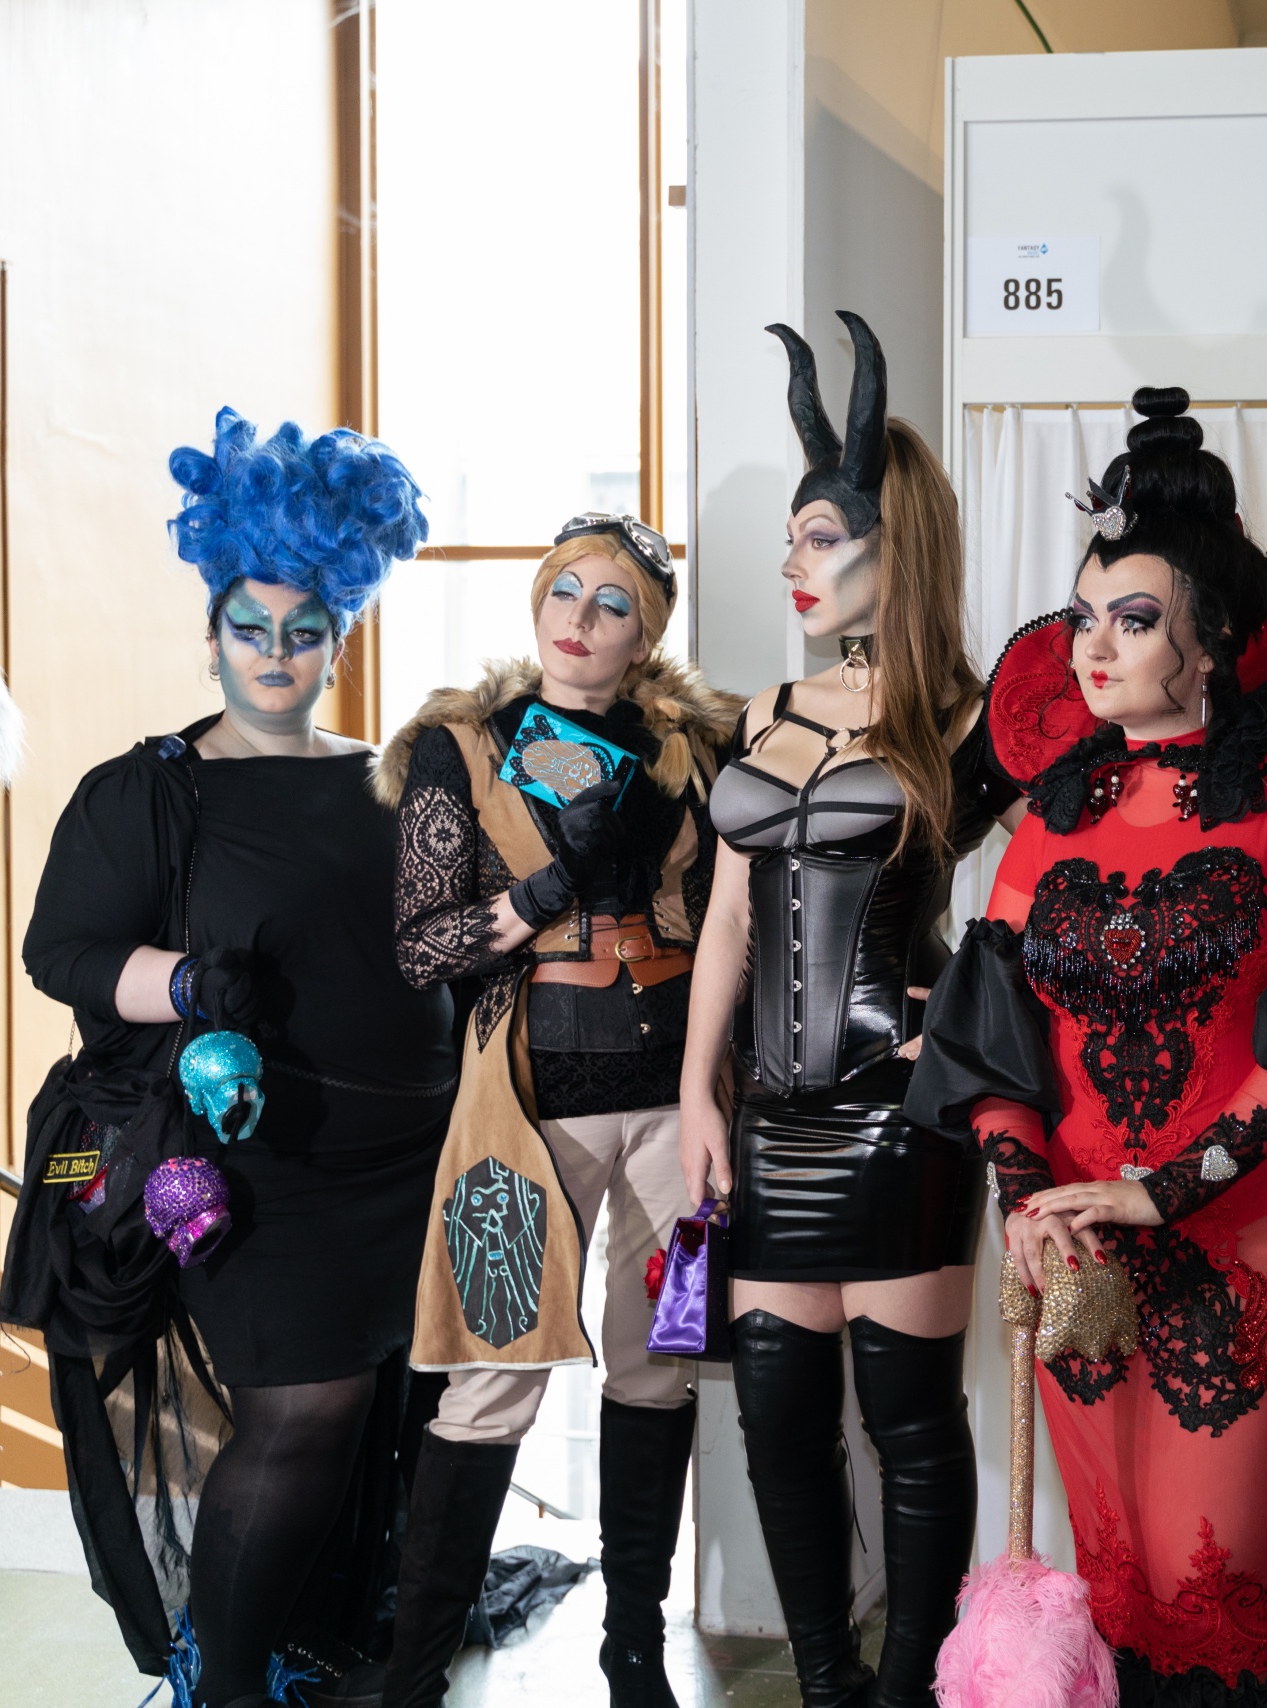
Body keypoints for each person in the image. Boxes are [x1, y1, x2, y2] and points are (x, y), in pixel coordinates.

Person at [907, 386, 1267, 1708]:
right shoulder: (1052, 818)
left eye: (1132, 619)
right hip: (1079, 1256)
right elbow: (993, 1048)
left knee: (1206, 1578)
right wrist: (1029, 1203)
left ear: (1214, 640)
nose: (1094, 647)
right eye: (1083, 618)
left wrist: (1163, 1189)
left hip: (1253, 1236)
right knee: (1119, 1582)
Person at [14, 408, 451, 1708]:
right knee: (301, 1413)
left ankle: (295, 1650)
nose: (274, 653)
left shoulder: (393, 780)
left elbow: (441, 946)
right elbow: (62, 952)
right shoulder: (151, 791)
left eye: (302, 630)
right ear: (211, 635)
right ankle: (225, 1683)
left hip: (411, 1159)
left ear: (339, 639)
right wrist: (186, 984)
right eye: (248, 628)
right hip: (258, 1169)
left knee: (369, 1417)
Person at [676, 311, 1019, 1708]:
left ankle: (907, 1694)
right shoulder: (763, 709)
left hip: (899, 1114)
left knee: (911, 1425)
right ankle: (827, 1689)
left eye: (819, 535)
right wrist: (698, 1096)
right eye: (793, 538)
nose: (793, 560)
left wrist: (972, 1009)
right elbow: (728, 921)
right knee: (776, 1422)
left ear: (896, 543)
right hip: (769, 1119)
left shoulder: (970, 716)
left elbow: (1066, 882)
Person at [377, 510, 739, 1708]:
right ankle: (415, 1679)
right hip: (524, 1109)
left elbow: (734, 918)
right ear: (536, 605)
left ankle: (633, 1650)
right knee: (491, 1379)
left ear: (646, 633)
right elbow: (424, 948)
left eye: (612, 603)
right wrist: (551, 884)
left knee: (661, 1367)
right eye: (564, 594)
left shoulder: (691, 750)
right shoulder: (462, 743)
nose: (581, 620)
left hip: (679, 1104)